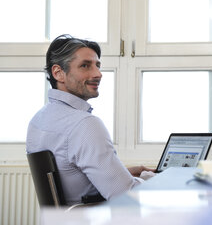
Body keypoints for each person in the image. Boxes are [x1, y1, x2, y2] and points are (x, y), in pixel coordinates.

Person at [26, 34, 154, 205]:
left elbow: (71, 176)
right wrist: (155, 181)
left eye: (98, 65)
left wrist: (123, 173)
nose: (98, 74)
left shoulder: (38, 120)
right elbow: (125, 197)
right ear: (58, 73)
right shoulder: (84, 124)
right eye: (85, 66)